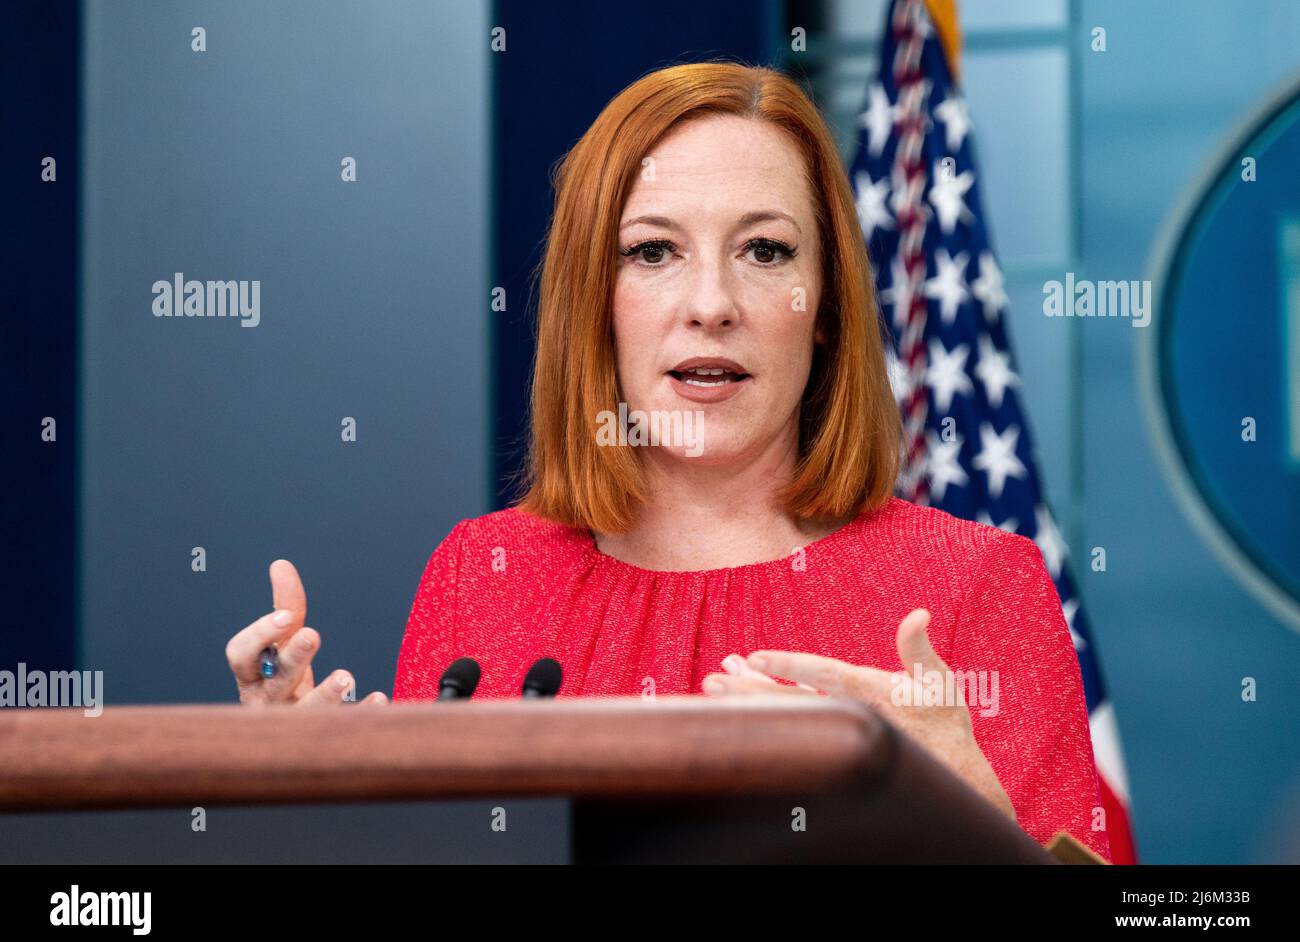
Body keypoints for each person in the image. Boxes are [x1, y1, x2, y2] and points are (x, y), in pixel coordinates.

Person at [226, 60, 1111, 860]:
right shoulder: (483, 575)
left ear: (827, 307)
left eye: (765, 251)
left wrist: (977, 825)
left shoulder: (975, 585)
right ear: (595, 307)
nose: (711, 304)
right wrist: (304, 807)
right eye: (654, 251)